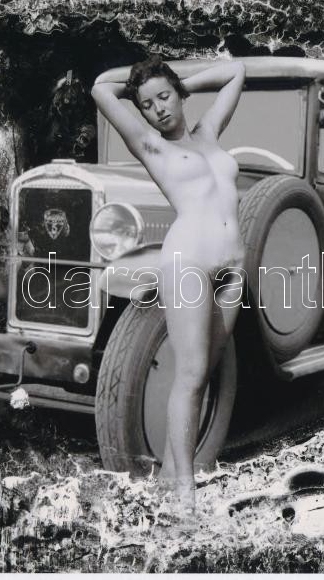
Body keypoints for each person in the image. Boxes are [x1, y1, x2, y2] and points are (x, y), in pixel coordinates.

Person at [92, 55, 246, 514]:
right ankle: (185, 496)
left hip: (232, 267)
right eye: (147, 104)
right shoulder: (150, 145)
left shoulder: (209, 133)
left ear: (179, 95)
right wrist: (137, 86)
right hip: (188, 262)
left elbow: (236, 72)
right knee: (191, 376)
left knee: (203, 375)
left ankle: (169, 480)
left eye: (164, 97)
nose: (158, 109)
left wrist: (182, 83)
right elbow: (100, 87)